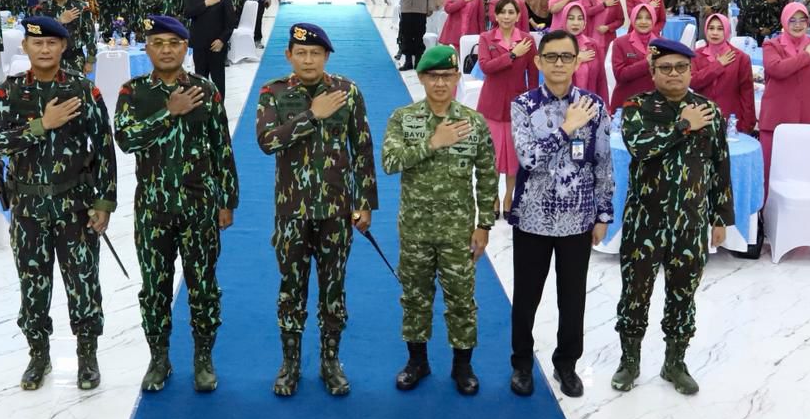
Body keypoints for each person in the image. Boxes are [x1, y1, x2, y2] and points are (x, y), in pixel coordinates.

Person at [0, 16, 117, 392]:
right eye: (36, 43)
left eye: (52, 44)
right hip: (27, 207)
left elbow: (104, 149)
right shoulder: (8, 93)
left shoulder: (83, 91)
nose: (44, 49)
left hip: (75, 204)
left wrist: (104, 202)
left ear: (63, 47)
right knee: (33, 285)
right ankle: (38, 354)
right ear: (25, 47)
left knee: (83, 283)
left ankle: (87, 354)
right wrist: (42, 124)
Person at [115, 15, 238, 393]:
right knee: (154, 287)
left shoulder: (205, 89)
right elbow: (126, 139)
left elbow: (221, 147)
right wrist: (168, 111)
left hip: (199, 205)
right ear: (147, 47)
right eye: (157, 43)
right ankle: (159, 358)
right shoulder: (132, 92)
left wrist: (227, 199)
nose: (166, 50)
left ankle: (203, 357)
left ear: (185, 47)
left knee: (203, 286)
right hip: (153, 207)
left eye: (173, 43)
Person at [256, 23, 378, 397]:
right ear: (289, 55)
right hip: (292, 211)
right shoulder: (273, 93)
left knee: (333, 289)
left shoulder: (347, 91)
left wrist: (365, 203)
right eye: (301, 53)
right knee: (291, 290)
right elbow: (266, 141)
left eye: (316, 53)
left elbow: (362, 148)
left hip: (336, 211)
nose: (308, 59)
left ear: (326, 56)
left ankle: (330, 360)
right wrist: (312, 115)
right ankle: (290, 363)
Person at [612, 38, 733, 396]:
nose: (674, 74)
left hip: (690, 223)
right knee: (635, 292)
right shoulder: (637, 107)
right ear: (652, 72)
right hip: (644, 222)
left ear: (692, 71)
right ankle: (629, 361)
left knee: (684, 294)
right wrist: (682, 126)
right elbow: (640, 147)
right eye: (666, 68)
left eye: (681, 67)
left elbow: (720, 166)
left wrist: (720, 216)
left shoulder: (708, 111)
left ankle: (675, 362)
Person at [381, 44, 496, 396]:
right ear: (421, 78)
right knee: (415, 297)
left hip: (458, 230)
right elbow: (389, 162)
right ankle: (417, 361)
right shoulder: (404, 118)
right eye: (434, 76)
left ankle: (462, 366)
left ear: (457, 77)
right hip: (415, 229)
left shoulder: (473, 122)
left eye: (447, 76)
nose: (441, 83)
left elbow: (488, 174)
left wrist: (484, 225)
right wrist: (432, 142)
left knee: (461, 299)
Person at [508, 30, 613, 398]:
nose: (558, 64)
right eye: (550, 57)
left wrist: (603, 214)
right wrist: (568, 128)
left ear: (576, 61)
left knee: (573, 298)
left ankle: (566, 364)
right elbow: (530, 160)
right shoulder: (523, 105)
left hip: (577, 219)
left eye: (565, 57)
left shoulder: (595, 105)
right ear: (537, 61)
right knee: (526, 296)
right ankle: (521, 363)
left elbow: (603, 162)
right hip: (533, 218)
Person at [759, 2, 810, 187]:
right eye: (792, 20)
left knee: (804, 173)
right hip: (777, 119)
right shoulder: (772, 45)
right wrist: (806, 55)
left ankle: (800, 215)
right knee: (772, 171)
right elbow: (777, 69)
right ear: (784, 21)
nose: (798, 25)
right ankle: (767, 213)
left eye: (802, 20)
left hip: (809, 119)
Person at [478, 0, 537, 216]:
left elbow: (533, 74)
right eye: (502, 12)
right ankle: (493, 196)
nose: (506, 17)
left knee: (513, 157)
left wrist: (532, 105)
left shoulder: (527, 40)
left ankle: (509, 197)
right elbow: (486, 67)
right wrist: (512, 54)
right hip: (491, 104)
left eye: (511, 12)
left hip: (517, 105)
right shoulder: (486, 38)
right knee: (491, 156)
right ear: (496, 15)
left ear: (519, 15)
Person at [691, 13, 757, 133]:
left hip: (731, 121)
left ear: (727, 31)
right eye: (711, 28)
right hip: (702, 120)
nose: (715, 33)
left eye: (720, 29)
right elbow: (693, 82)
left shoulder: (741, 58)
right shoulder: (696, 56)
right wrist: (718, 64)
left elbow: (747, 95)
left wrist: (747, 126)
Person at [182, 0, 234, 96]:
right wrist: (205, 3)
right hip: (199, 45)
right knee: (200, 81)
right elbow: (187, 12)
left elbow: (230, 22)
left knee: (218, 82)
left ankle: (220, 111)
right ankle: (203, 109)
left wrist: (222, 41)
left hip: (216, 45)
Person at [552, 0, 608, 100]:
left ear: (585, 23)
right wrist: (575, 59)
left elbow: (601, 79)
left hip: (589, 105)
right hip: (562, 105)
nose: (576, 23)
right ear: (564, 20)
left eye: (580, 19)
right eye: (571, 18)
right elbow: (552, 76)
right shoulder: (555, 44)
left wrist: (604, 106)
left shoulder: (594, 45)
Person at [609, 2, 658, 112]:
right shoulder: (620, 42)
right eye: (639, 18)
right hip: (625, 103)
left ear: (654, 20)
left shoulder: (662, 44)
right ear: (633, 19)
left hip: (653, 104)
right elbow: (620, 75)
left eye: (648, 18)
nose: (643, 22)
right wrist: (646, 63)